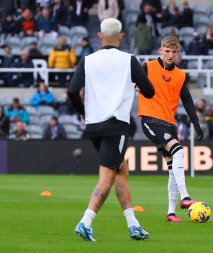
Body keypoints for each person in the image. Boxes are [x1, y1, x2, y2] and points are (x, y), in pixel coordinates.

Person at [68, 18, 155, 241]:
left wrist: (84, 113)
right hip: (115, 126)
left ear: (99, 36)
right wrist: (137, 85)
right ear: (121, 36)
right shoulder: (128, 60)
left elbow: (72, 91)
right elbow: (149, 90)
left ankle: (133, 224)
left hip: (94, 125)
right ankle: (85, 222)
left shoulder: (87, 60)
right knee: (107, 176)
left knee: (120, 170)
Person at [137, 35, 203, 223]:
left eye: (174, 52)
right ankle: (185, 198)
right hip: (150, 119)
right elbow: (134, 83)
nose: (170, 55)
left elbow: (188, 100)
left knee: (172, 166)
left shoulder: (180, 75)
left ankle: (171, 213)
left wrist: (196, 123)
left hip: (168, 124)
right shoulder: (148, 67)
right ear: (160, 50)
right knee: (178, 151)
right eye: (167, 51)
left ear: (178, 53)